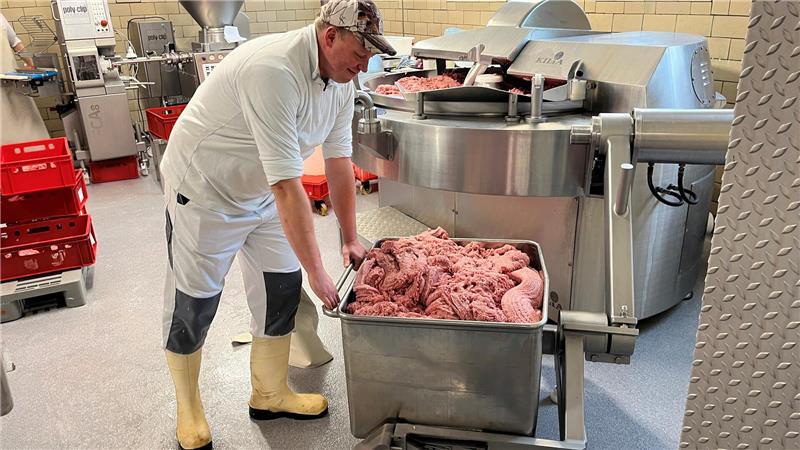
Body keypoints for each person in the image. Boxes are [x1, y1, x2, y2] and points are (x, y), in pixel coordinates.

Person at [157, 0, 395, 448]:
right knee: (195, 300)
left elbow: (339, 160)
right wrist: (319, 272)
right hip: (205, 191)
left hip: (262, 190)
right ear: (330, 36)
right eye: (359, 55)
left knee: (280, 287)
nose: (363, 67)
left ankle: (269, 392)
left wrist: (348, 238)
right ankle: (188, 407)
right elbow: (290, 187)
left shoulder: (341, 80)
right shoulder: (274, 71)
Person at [0, 13, 49, 145]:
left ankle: (36, 160)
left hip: (11, 82)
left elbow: (16, 43)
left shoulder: (0, 18)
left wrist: (32, 65)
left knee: (25, 120)